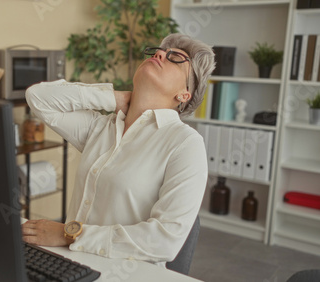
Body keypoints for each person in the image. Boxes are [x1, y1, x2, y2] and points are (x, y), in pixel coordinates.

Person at [21, 33, 216, 266]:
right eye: (158, 51)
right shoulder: (100, 128)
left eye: (176, 58)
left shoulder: (185, 143)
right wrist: (112, 99)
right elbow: (37, 97)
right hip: (70, 263)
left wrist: (69, 234)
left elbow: (164, 241)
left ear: (185, 94)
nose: (160, 53)